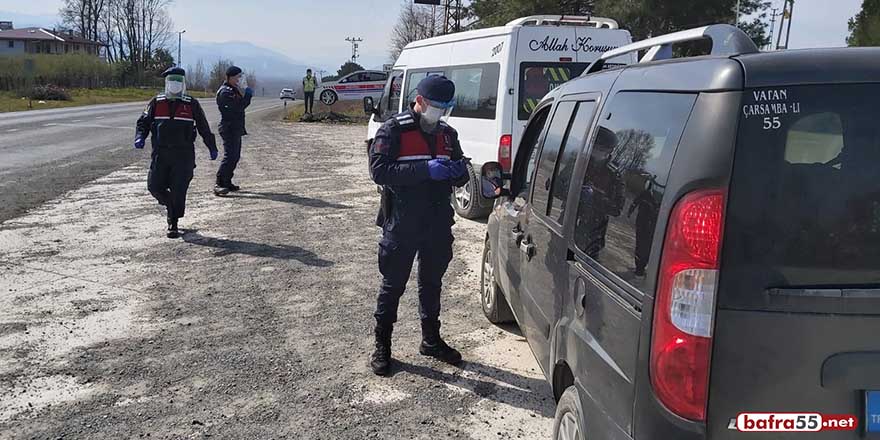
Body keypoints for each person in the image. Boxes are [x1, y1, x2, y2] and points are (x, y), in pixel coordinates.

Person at [368, 75, 470, 377]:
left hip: (437, 221)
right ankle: (383, 346)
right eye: (437, 107)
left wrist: (458, 171)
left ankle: (431, 340)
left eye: (446, 108)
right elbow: (379, 171)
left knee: (432, 283)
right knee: (392, 285)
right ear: (420, 101)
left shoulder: (448, 134)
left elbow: (461, 167)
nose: (441, 113)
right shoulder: (393, 129)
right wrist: (425, 168)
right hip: (402, 221)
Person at [134, 66, 218, 238]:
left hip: (183, 155)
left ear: (183, 83)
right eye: (171, 81)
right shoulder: (156, 102)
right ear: (166, 82)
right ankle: (171, 207)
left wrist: (211, 146)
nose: (174, 85)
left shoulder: (191, 103)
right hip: (161, 154)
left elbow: (203, 126)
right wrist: (140, 137)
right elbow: (143, 122)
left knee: (179, 189)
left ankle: (173, 222)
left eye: (178, 81)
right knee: (154, 186)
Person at [214, 65, 253, 196]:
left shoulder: (233, 89)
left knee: (235, 156)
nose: (239, 80)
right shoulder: (225, 92)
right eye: (237, 77)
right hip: (228, 128)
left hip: (235, 127)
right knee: (230, 156)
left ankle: (227, 181)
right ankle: (219, 183)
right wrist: (247, 95)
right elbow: (238, 106)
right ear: (230, 77)